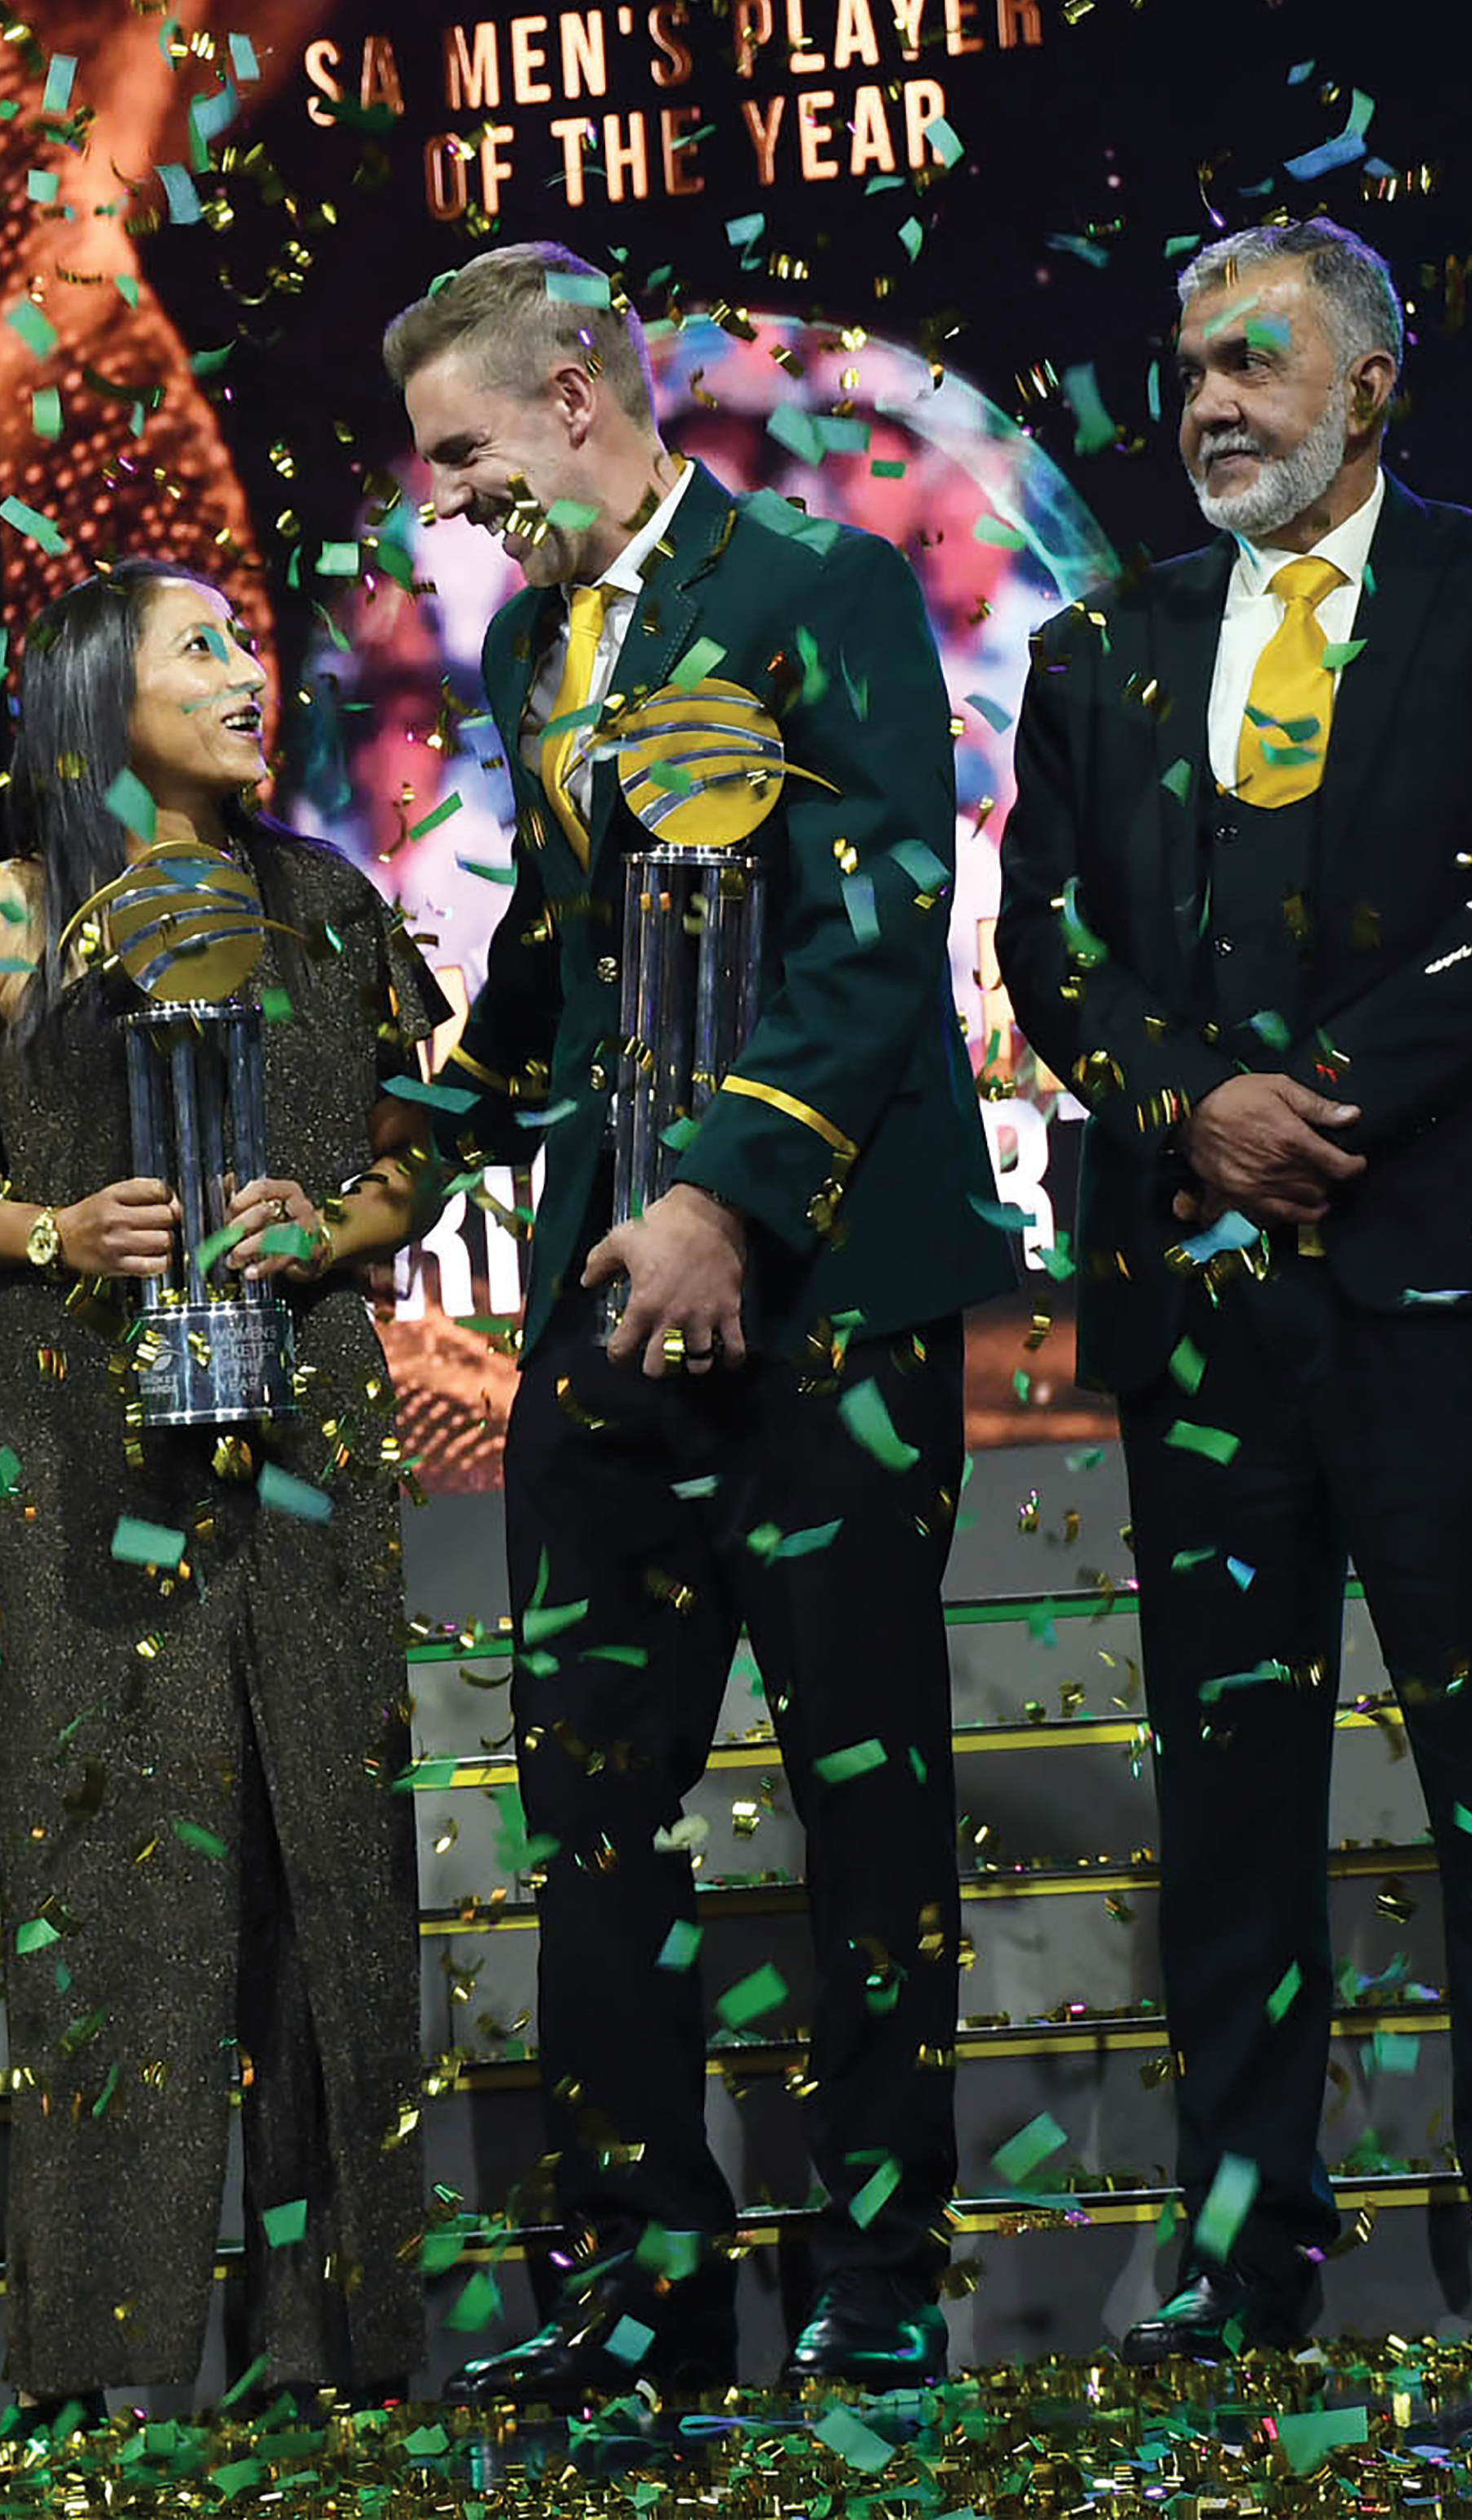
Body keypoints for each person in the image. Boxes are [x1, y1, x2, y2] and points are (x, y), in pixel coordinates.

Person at [994, 220, 1472, 2362]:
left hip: (1443, 1279)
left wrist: (1318, 1107)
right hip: (1195, 1303)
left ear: (1369, 382)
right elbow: (1041, 943)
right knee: (1228, 1795)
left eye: (1253, 359)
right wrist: (1193, 1110)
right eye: (1188, 363)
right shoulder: (1096, 643)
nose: (1207, 400)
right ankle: (1243, 2239)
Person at [385, 242, 1015, 2401]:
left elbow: (879, 929)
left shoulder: (823, 591)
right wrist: (402, 1159)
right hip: (600, 1302)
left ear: (576, 393)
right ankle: (644, 2277)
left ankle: (876, 2269)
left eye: (460, 451)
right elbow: (553, 962)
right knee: (590, 1803)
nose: (447, 502)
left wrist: (719, 1198)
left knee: (865, 1791)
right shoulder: (532, 644)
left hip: (827, 1299)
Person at [0, 561, 441, 2421]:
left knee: (330, 1863)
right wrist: (49, 1230)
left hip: (310, 1435)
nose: (248, 673)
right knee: (114, 1878)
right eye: (202, 648)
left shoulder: (329, 902)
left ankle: (337, 2349)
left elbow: (415, 1161)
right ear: (95, 694)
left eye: (247, 643)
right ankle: (103, 2365)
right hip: (84, 1441)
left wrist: (330, 1223)